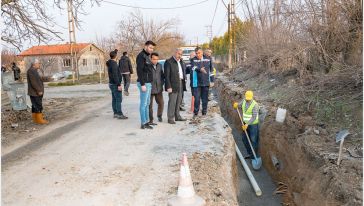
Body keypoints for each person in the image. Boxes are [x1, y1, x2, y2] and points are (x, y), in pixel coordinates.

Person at [136, 40, 156, 129]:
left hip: (148, 83)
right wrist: (142, 84)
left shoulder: (147, 56)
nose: (151, 49)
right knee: (143, 104)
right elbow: (139, 71)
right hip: (144, 83)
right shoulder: (141, 56)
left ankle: (147, 121)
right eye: (150, 47)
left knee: (147, 103)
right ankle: (143, 123)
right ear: (146, 46)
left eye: (153, 48)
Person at [164, 48, 187, 124]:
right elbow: (166, 76)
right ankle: (170, 118)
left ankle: (177, 116)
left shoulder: (181, 62)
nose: (179, 55)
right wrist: (168, 86)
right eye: (178, 54)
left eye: (181, 54)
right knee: (172, 102)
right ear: (174, 52)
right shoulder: (168, 62)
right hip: (172, 84)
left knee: (179, 101)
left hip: (180, 82)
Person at [191, 48, 214, 119]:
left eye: (199, 53)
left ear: (202, 52)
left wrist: (212, 81)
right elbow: (193, 67)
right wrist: (200, 69)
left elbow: (211, 71)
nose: (198, 54)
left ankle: (204, 112)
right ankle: (195, 113)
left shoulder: (208, 59)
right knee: (197, 99)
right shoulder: (193, 59)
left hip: (206, 82)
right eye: (196, 53)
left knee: (205, 99)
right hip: (197, 83)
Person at [27, 59, 52, 124]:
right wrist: (39, 90)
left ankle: (36, 119)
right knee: (38, 105)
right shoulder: (31, 71)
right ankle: (40, 120)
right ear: (34, 64)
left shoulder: (34, 70)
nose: (39, 64)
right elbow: (33, 82)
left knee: (35, 105)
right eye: (38, 63)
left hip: (35, 92)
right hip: (35, 92)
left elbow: (39, 79)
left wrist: (47, 78)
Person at [106, 49, 128, 120]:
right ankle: (119, 114)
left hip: (111, 83)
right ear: (115, 56)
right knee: (118, 99)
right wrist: (118, 84)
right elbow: (115, 75)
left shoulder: (110, 63)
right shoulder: (114, 64)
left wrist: (116, 51)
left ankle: (115, 113)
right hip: (115, 84)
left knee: (114, 99)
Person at [238, 90, 260, 159]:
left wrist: (247, 124)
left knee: (253, 140)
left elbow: (254, 117)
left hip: (253, 125)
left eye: (249, 99)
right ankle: (249, 153)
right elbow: (240, 104)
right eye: (246, 98)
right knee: (244, 139)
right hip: (245, 123)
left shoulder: (255, 105)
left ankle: (254, 156)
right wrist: (237, 105)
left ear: (252, 97)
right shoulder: (244, 100)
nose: (247, 100)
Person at [148, 52, 164, 125]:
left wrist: (162, 83)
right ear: (151, 59)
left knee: (161, 103)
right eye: (154, 59)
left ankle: (159, 115)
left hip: (159, 88)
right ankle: (150, 119)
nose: (155, 61)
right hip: (150, 89)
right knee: (149, 105)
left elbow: (162, 75)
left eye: (157, 59)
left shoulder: (160, 66)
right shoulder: (147, 66)